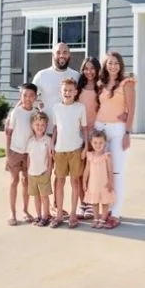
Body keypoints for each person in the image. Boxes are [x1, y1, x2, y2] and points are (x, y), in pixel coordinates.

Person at [95, 51, 136, 229]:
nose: (113, 66)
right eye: (110, 63)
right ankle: (105, 210)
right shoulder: (100, 84)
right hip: (99, 129)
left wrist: (127, 132)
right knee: (102, 173)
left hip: (118, 131)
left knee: (117, 172)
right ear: (105, 65)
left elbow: (132, 109)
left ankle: (116, 213)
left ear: (120, 66)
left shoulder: (127, 83)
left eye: (116, 63)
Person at [50, 78, 88, 229]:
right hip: (60, 150)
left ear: (76, 92)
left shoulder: (80, 108)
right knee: (59, 182)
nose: (67, 93)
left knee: (75, 182)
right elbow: (55, 128)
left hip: (76, 150)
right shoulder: (56, 108)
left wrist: (85, 146)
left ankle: (73, 213)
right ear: (61, 91)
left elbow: (84, 128)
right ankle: (59, 213)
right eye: (65, 90)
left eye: (70, 90)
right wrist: (52, 144)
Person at [5, 82, 38, 226]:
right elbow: (8, 133)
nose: (28, 98)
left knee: (26, 182)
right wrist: (7, 154)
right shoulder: (16, 112)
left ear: (35, 97)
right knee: (14, 181)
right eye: (25, 95)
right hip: (15, 151)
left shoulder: (36, 113)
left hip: (28, 153)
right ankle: (12, 212)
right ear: (20, 96)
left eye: (31, 96)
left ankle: (25, 210)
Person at [32, 42, 80, 135]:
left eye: (65, 52)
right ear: (53, 55)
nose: (62, 55)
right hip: (46, 131)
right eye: (58, 52)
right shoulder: (41, 75)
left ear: (69, 55)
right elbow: (28, 97)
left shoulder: (76, 76)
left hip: (69, 131)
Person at [76, 56, 101, 220]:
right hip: (78, 134)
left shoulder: (101, 88)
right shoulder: (78, 88)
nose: (89, 71)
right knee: (79, 171)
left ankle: (92, 204)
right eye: (86, 68)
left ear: (98, 69)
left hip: (96, 135)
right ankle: (82, 203)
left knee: (92, 171)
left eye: (92, 68)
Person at [82, 130, 115, 229]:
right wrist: (84, 181)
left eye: (101, 143)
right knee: (94, 202)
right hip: (93, 184)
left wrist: (110, 182)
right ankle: (96, 218)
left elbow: (110, 170)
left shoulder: (106, 156)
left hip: (104, 184)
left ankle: (103, 219)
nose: (98, 145)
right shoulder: (90, 156)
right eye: (95, 143)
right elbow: (86, 170)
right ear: (91, 143)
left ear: (105, 143)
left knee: (105, 202)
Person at [26, 112, 53, 227]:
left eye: (42, 125)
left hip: (43, 173)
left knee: (44, 197)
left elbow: (50, 158)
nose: (40, 127)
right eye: (37, 124)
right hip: (32, 173)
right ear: (32, 125)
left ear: (46, 126)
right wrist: (28, 172)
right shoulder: (30, 140)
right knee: (35, 196)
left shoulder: (47, 140)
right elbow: (28, 158)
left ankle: (45, 216)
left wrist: (49, 171)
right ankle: (38, 216)